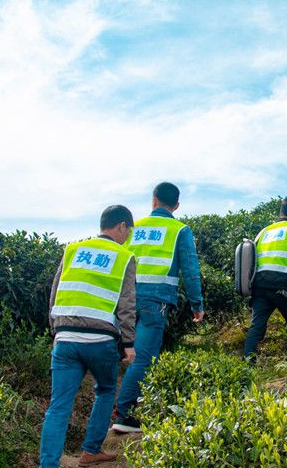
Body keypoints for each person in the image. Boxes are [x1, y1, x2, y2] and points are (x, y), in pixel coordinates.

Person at [40, 205, 137, 467]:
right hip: (100, 340)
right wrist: (128, 343)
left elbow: (55, 292)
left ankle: (48, 464)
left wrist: (56, 330)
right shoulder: (124, 256)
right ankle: (90, 451)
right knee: (105, 390)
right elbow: (127, 304)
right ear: (122, 227)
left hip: (65, 338)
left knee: (58, 405)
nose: (127, 237)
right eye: (128, 231)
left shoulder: (72, 250)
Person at [111, 182, 204, 433]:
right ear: (176, 206)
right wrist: (197, 304)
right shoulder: (179, 230)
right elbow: (191, 270)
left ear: (153, 201)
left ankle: (122, 405)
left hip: (123, 300)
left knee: (123, 354)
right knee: (143, 358)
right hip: (155, 301)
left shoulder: (132, 227)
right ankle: (124, 415)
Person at [243, 196, 287, 363]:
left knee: (256, 326)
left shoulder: (263, 231)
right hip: (281, 286)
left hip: (259, 286)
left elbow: (252, 261)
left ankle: (248, 364)